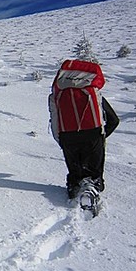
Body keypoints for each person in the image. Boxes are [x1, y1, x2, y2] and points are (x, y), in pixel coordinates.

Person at [49, 59, 119, 201]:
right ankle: (92, 191)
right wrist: (101, 136)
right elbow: (114, 120)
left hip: (67, 135)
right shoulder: (94, 93)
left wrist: (61, 139)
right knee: (95, 174)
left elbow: (55, 118)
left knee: (75, 172)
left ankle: (74, 189)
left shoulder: (58, 94)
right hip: (92, 134)